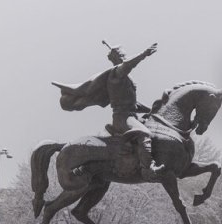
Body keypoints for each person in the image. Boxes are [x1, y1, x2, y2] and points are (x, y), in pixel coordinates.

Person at [52, 41, 164, 181]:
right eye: (122, 55)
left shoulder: (125, 78)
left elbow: (133, 103)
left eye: (124, 55)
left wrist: (152, 110)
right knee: (144, 133)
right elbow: (128, 64)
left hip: (131, 115)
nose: (124, 57)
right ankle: (148, 169)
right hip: (122, 118)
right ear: (116, 59)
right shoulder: (116, 74)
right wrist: (144, 54)